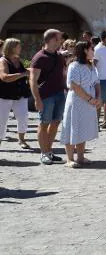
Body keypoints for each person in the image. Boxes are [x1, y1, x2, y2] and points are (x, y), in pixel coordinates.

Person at [60, 41, 101, 168]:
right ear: (84, 51)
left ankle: (81, 157)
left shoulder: (92, 66)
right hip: (77, 101)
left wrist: (98, 97)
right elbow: (74, 85)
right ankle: (70, 159)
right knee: (72, 127)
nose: (93, 51)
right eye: (91, 49)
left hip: (89, 102)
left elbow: (96, 82)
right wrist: (89, 99)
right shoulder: (74, 66)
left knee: (82, 128)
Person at [30, 29, 66, 165]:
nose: (61, 40)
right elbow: (33, 80)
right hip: (46, 96)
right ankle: (43, 153)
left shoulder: (59, 56)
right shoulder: (39, 57)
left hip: (59, 94)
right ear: (52, 39)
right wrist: (37, 99)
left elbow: (62, 74)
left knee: (56, 122)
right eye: (59, 38)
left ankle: (49, 151)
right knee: (44, 123)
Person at [0, 38, 31, 150]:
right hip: (5, 95)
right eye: (18, 46)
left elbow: (22, 72)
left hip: (20, 94)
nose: (20, 48)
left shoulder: (17, 59)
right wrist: (23, 74)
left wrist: (30, 71)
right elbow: (4, 77)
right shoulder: (3, 61)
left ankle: (21, 140)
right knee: (1, 120)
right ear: (12, 47)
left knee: (23, 117)